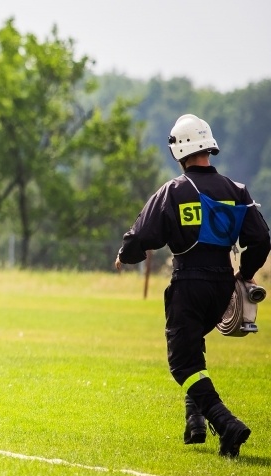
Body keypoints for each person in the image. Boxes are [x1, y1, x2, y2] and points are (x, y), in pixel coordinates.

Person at [115, 114, 270, 458]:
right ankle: (195, 422)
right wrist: (244, 274)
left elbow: (142, 235)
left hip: (188, 283)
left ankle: (225, 422)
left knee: (182, 363)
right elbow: (261, 239)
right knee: (193, 345)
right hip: (222, 288)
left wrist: (126, 255)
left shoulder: (175, 190)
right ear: (208, 146)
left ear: (179, 149)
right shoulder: (237, 191)